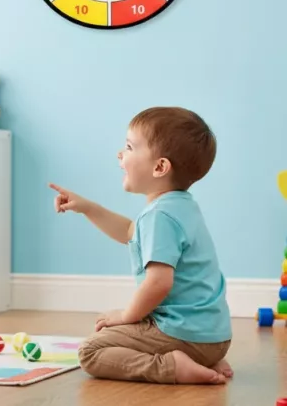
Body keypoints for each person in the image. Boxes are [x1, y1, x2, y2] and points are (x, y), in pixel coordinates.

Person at [50, 107, 232, 385]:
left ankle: (173, 367)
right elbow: (129, 232)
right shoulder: (182, 207)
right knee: (114, 339)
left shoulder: (159, 216)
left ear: (159, 167)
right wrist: (87, 207)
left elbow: (159, 283)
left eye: (129, 147)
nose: (119, 154)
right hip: (214, 336)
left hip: (183, 333)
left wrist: (125, 316)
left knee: (91, 351)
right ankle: (201, 358)